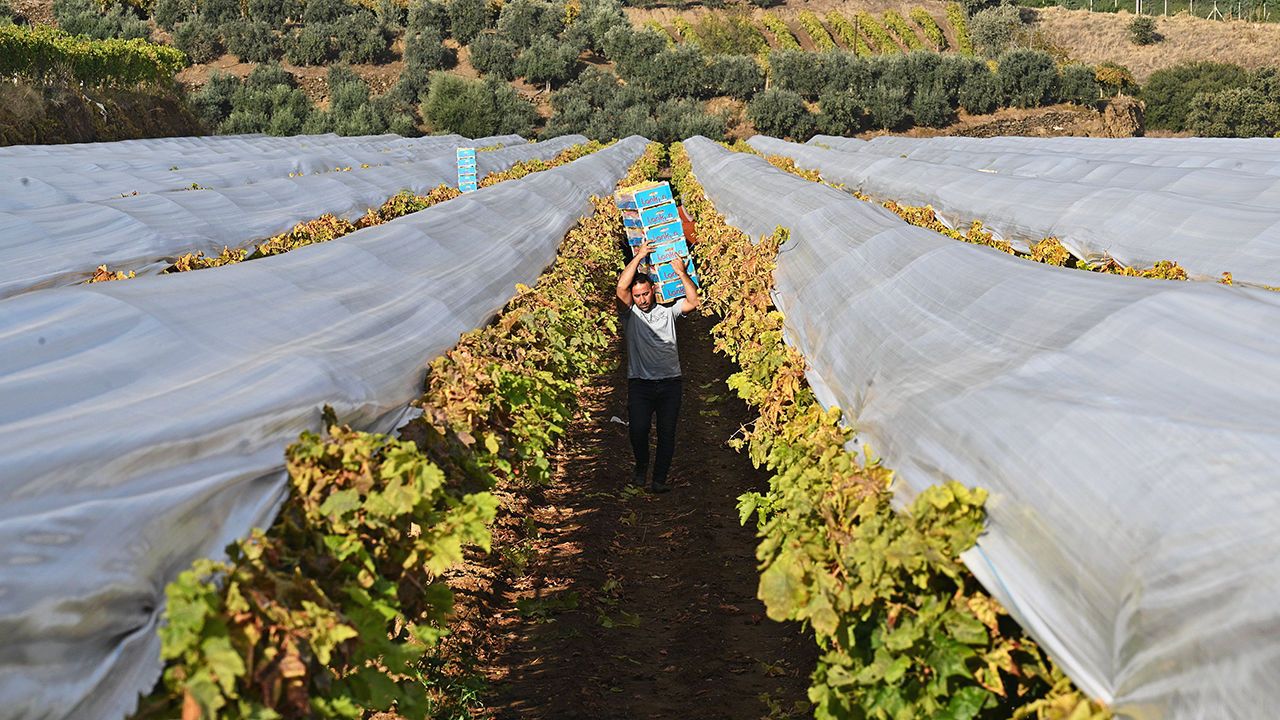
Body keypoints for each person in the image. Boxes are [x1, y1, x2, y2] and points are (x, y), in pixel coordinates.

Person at [616, 238, 700, 493]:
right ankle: (641, 467)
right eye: (637, 295)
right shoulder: (630, 315)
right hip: (640, 383)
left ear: (653, 290)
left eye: (645, 293)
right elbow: (621, 287)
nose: (641, 299)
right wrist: (639, 256)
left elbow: (693, 301)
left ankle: (659, 480)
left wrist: (681, 273)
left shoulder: (669, 311)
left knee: (666, 433)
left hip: (670, 382)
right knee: (639, 430)